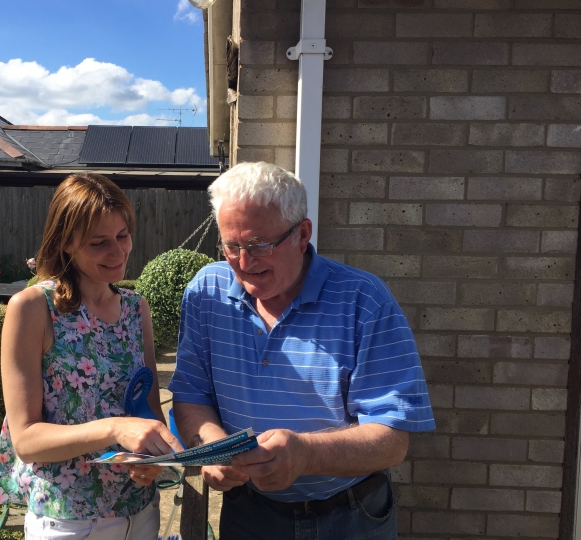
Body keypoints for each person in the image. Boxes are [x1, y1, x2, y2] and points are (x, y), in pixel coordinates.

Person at [169, 162, 436, 539]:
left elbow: (392, 440)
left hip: (349, 514)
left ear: (302, 233)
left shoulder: (364, 301)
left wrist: (306, 454)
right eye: (232, 246)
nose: (244, 264)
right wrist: (214, 448)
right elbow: (191, 395)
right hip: (249, 513)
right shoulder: (206, 293)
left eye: (260, 246)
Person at [0, 173, 183, 540]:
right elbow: (26, 440)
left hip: (141, 512)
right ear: (65, 244)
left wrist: (152, 462)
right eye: (98, 243)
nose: (118, 252)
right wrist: (114, 427)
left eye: (122, 236)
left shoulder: (135, 309)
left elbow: (148, 412)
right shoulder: (33, 308)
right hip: (68, 522)